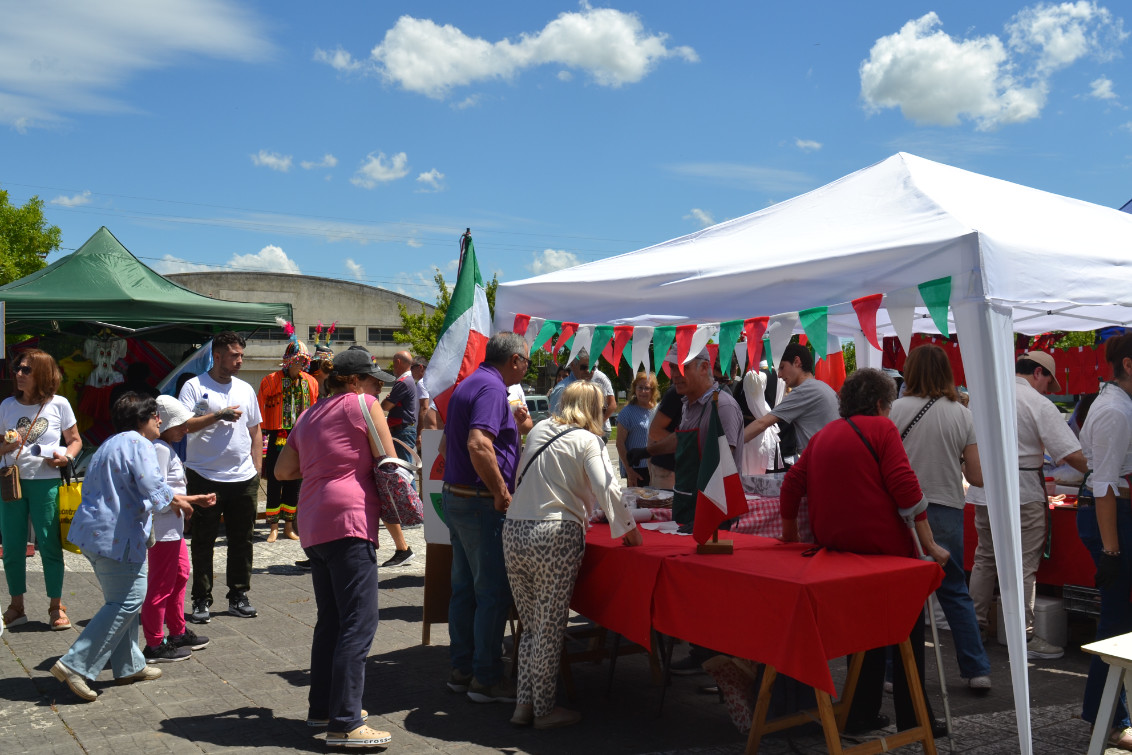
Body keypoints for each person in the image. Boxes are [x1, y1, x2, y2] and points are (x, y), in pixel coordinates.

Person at [780, 368, 948, 735]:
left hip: (837, 551)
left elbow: (791, 484)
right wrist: (930, 543)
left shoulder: (824, 435)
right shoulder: (882, 429)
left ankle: (861, 712)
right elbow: (905, 487)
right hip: (885, 552)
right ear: (880, 403)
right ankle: (913, 716)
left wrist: (790, 533)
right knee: (906, 633)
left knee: (863, 635)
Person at [51, 392, 215, 702]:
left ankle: (128, 665)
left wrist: (183, 500)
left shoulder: (110, 443)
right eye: (155, 415)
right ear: (142, 419)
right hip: (116, 537)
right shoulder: (140, 444)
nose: (160, 420)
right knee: (128, 601)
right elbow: (153, 487)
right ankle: (75, 664)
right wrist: (181, 503)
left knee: (123, 601)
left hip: (99, 535)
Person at [274, 349, 395, 747]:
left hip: (313, 521)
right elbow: (389, 461)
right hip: (350, 519)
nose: (378, 388)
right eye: (373, 380)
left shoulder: (308, 414)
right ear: (355, 380)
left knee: (331, 621)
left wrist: (322, 463)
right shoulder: (364, 405)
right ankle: (345, 723)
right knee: (358, 623)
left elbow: (282, 471)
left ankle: (323, 708)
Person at [504, 381, 642, 729]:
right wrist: (629, 530)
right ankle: (544, 710)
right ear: (595, 409)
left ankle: (524, 705)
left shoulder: (539, 430)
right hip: (554, 534)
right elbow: (607, 487)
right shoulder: (587, 440)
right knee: (550, 626)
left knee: (531, 626)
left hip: (515, 528)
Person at [968, 351, 1088, 660]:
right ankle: (1023, 636)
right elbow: (1070, 453)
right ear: (1037, 373)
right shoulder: (1037, 403)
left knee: (986, 559)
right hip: (1023, 492)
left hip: (986, 490)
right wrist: (1102, 470)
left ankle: (974, 629)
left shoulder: (984, 397)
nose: (1048, 389)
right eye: (1048, 381)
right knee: (1022, 566)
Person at [889, 345, 991, 692]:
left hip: (902, 509)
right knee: (954, 590)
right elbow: (976, 477)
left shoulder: (893, 410)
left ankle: (893, 673)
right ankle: (976, 669)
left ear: (911, 372)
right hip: (946, 506)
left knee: (900, 592)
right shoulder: (962, 415)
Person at [441, 331, 532, 704]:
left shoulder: (470, 384)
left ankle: (463, 669)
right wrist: (500, 492)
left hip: (460, 497)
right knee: (492, 592)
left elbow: (448, 445)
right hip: (480, 502)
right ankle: (487, 677)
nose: (527, 369)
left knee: (465, 589)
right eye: (527, 361)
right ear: (514, 360)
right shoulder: (493, 390)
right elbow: (478, 443)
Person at [178, 331, 263, 624]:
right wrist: (218, 415)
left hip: (243, 477)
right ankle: (201, 598)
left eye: (242, 355)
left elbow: (255, 430)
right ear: (217, 356)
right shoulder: (194, 386)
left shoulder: (245, 389)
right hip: (204, 475)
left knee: (242, 540)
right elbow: (184, 425)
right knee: (203, 540)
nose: (240, 361)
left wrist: (257, 469)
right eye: (234, 355)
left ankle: (238, 595)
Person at [0, 349, 83, 630]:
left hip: (46, 482)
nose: (18, 374)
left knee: (49, 544)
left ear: (43, 374)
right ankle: (16, 606)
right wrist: (6, 447)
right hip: (11, 481)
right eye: (18, 368)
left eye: (26, 369)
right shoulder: (7, 405)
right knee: (12, 546)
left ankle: (55, 606)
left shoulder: (59, 404)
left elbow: (75, 440)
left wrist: (66, 457)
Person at [1078, 334, 1132, 750]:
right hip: (1111, 518)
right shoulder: (1114, 409)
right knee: (1115, 621)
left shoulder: (1119, 403)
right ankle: (1108, 718)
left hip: (1114, 513)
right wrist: (1111, 550)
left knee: (1119, 620)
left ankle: (1109, 713)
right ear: (1128, 365)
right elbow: (1105, 486)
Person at [140, 396, 211, 663]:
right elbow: (156, 493)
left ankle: (177, 631)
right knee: (161, 585)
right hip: (163, 530)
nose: (186, 428)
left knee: (180, 575)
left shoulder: (166, 447)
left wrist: (187, 502)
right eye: (180, 423)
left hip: (173, 529)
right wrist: (191, 501)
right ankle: (154, 643)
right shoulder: (159, 448)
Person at [257, 340, 319, 543]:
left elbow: (314, 411)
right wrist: (261, 434)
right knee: (275, 480)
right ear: (288, 360)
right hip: (278, 436)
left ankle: (289, 526)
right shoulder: (270, 380)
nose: (300, 363)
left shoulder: (311, 382)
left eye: (303, 360)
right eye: (297, 359)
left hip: (300, 438)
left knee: (295, 481)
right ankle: (273, 527)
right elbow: (259, 407)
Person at [742, 342, 838, 462]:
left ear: (797, 362)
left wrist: (732, 446)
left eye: (782, 367)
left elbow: (762, 423)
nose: (779, 375)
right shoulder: (823, 386)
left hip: (822, 461)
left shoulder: (804, 391)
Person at [381, 350, 418, 568]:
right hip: (402, 429)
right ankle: (411, 514)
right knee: (404, 472)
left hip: (402, 430)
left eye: (393, 364)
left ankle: (411, 514)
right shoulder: (407, 381)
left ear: (397, 362)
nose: (392, 367)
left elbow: (386, 406)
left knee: (403, 473)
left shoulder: (403, 382)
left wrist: (384, 403)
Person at [616, 372, 659, 487]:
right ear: (635, 389)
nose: (643, 391)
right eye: (640, 387)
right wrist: (629, 471)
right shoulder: (627, 412)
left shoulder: (658, 410)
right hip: (636, 469)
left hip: (656, 467)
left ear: (653, 390)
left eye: (647, 388)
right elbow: (619, 444)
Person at [567, 351, 616, 440]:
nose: (588, 371)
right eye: (584, 367)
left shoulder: (601, 378)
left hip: (600, 429)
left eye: (592, 367)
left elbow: (612, 405)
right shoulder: (572, 380)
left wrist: (598, 424)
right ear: (574, 366)